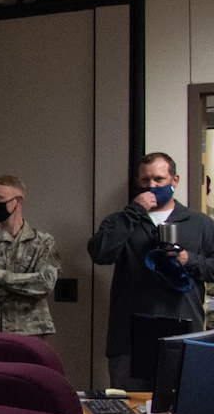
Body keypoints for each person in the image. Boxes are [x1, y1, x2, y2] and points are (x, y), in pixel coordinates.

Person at [86, 152, 214, 389]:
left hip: (183, 334)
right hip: (129, 339)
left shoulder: (200, 223)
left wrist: (188, 259)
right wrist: (134, 212)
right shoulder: (120, 220)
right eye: (145, 181)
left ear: (174, 180)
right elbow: (100, 254)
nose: (152, 186)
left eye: (159, 179)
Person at [0, 175, 59, 338]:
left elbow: (45, 284)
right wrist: (26, 288)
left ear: (18, 201)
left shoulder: (43, 242)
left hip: (30, 332)